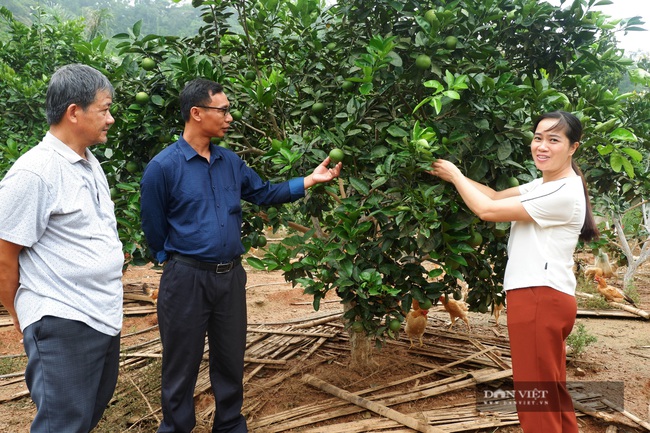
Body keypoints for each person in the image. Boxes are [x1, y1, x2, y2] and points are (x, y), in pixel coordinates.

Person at [140, 77, 342, 433]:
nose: (230, 117)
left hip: (230, 277)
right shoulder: (163, 168)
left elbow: (264, 193)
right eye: (224, 109)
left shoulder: (230, 162)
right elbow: (154, 229)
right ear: (197, 113)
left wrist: (310, 180)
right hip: (186, 279)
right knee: (180, 364)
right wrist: (178, 261)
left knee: (230, 359)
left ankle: (230, 425)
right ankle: (176, 428)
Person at [428, 110, 598, 433]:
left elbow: (485, 210)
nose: (542, 146)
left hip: (538, 298)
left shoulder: (562, 193)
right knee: (551, 394)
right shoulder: (547, 185)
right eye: (537, 138)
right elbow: (491, 195)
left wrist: (455, 173)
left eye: (553, 140)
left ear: (573, 147)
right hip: (545, 296)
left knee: (535, 403)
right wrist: (454, 176)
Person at [0, 64, 124, 432]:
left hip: (99, 314)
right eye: (104, 109)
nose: (111, 119)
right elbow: (4, 254)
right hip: (63, 318)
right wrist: (18, 313)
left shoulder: (89, 162)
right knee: (62, 423)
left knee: (83, 417)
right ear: (74, 112)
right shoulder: (35, 172)